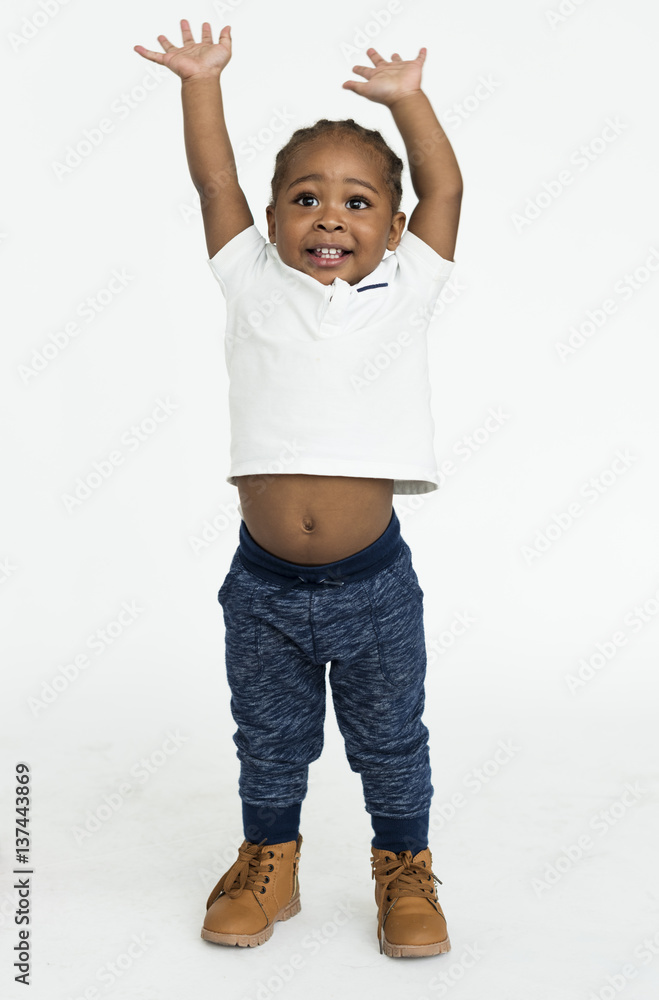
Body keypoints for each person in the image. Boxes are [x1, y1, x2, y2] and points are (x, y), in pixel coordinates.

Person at [134, 19, 462, 959]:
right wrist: (201, 81)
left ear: (392, 229)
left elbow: (446, 185)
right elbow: (213, 183)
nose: (329, 216)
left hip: (373, 589)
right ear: (273, 218)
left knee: (390, 743)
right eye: (305, 198)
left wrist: (407, 101)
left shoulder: (410, 288)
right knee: (267, 740)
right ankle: (267, 864)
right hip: (264, 589)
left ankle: (404, 869)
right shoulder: (249, 282)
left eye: (357, 203)